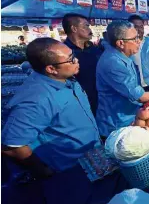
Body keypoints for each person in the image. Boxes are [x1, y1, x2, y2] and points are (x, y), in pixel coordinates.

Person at [1, 38, 127, 204]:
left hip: (92, 159)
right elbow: (12, 146)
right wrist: (43, 171)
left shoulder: (67, 79)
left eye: (73, 55)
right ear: (51, 68)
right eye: (70, 59)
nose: (76, 60)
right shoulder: (36, 98)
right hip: (68, 173)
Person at [62, 13, 103, 116]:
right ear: (74, 29)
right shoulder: (63, 52)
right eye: (86, 26)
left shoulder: (94, 49)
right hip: (77, 103)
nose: (90, 30)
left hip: (100, 100)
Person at [128, 15, 148, 87]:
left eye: (141, 27)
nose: (139, 29)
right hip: (136, 86)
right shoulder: (126, 46)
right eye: (136, 27)